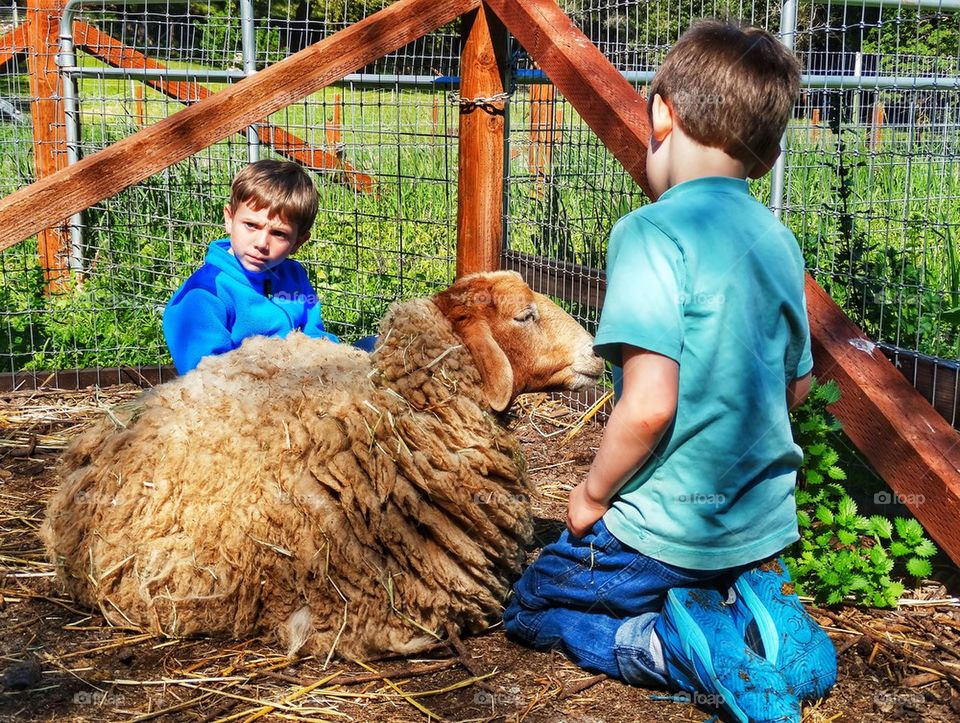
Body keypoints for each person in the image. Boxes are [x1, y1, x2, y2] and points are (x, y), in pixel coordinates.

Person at [503, 20, 836, 723]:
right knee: (681, 582)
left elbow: (649, 405)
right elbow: (797, 384)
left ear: (661, 113)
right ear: (772, 155)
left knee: (531, 606)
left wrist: (592, 494)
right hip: (757, 526)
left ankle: (677, 650)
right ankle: (754, 617)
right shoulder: (778, 240)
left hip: (664, 531)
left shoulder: (651, 234)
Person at [163, 159, 339, 374]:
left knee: (370, 348)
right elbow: (206, 375)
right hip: (241, 395)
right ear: (229, 219)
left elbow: (314, 337)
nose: (261, 243)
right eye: (251, 226)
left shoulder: (294, 276)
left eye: (279, 234)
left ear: (298, 242)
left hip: (297, 384)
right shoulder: (205, 294)